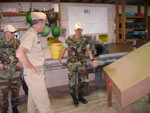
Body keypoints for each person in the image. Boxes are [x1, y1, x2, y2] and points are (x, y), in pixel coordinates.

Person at [16, 12, 54, 113]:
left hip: (33, 74)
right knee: (44, 105)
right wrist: (32, 68)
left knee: (32, 102)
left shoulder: (33, 34)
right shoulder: (30, 35)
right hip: (34, 75)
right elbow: (20, 54)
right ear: (40, 23)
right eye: (44, 23)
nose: (45, 26)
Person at [58, 23, 98, 107]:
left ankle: (80, 96)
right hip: (71, 64)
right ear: (74, 30)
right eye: (77, 29)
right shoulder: (69, 39)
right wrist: (60, 59)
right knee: (72, 82)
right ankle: (74, 98)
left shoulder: (85, 40)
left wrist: (93, 60)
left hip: (81, 64)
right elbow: (63, 49)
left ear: (82, 30)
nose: (78, 31)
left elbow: (88, 51)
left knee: (82, 81)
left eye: (80, 29)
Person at [0, 24, 22, 113]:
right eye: (12, 32)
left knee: (15, 92)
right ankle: (4, 110)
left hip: (15, 72)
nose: (14, 34)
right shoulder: (0, 43)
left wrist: (22, 61)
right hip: (3, 73)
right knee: (3, 94)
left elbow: (23, 53)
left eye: (14, 32)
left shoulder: (17, 42)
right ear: (6, 32)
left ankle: (15, 108)